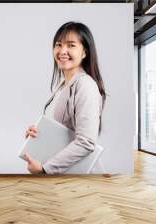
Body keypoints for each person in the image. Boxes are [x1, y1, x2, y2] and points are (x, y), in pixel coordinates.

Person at [24, 21, 106, 174]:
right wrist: (37, 135)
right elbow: (62, 132)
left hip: (82, 182)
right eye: (58, 45)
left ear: (84, 52)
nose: (62, 51)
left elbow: (86, 142)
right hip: (63, 178)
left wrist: (45, 169)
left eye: (71, 45)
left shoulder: (85, 86)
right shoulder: (63, 87)